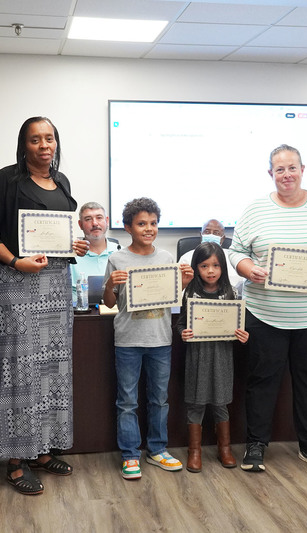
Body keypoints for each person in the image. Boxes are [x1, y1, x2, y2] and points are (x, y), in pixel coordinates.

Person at [0, 116, 89, 495]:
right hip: (19, 283)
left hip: (57, 284)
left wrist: (76, 245)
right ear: (24, 145)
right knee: (20, 370)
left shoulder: (63, 183)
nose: (44, 145)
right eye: (35, 139)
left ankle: (41, 450)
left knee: (52, 369)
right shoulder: (6, 180)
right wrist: (14, 261)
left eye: (50, 138)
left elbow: (61, 232)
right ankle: (14, 460)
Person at [228, 144, 307, 474]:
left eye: (292, 168)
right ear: (271, 174)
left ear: (302, 169)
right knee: (261, 381)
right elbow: (236, 251)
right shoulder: (255, 210)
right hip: (265, 313)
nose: (287, 174)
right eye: (279, 169)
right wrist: (247, 269)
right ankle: (255, 445)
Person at [102, 197, 194, 480]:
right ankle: (130, 455)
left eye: (153, 223)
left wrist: (186, 282)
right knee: (127, 401)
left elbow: (171, 298)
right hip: (128, 340)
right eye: (142, 224)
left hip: (160, 339)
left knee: (159, 399)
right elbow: (109, 302)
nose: (149, 228)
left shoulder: (167, 258)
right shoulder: (117, 258)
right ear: (128, 227)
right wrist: (110, 284)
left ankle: (157, 450)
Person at [176, 241, 249, 473]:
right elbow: (179, 323)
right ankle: (194, 451)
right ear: (196, 267)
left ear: (223, 268)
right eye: (204, 265)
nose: (210, 271)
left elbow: (238, 326)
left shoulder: (231, 292)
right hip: (197, 356)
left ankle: (224, 448)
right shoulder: (190, 292)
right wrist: (183, 333)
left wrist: (242, 335)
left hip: (222, 357)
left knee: (220, 403)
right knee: (196, 404)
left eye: (216, 266)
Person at [178, 219, 244, 296]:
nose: (211, 235)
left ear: (222, 238)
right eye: (207, 232)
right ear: (201, 235)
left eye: (216, 233)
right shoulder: (186, 258)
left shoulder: (233, 257)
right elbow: (179, 291)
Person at [69, 201, 119, 302]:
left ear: (107, 220)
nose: (95, 223)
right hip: (82, 315)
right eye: (88, 219)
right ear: (80, 224)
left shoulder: (121, 252)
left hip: (115, 314)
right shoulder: (70, 256)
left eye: (99, 218)